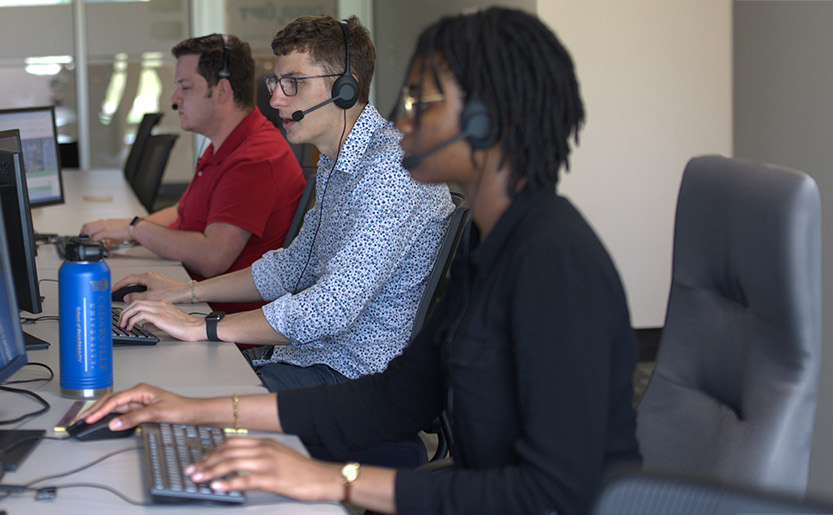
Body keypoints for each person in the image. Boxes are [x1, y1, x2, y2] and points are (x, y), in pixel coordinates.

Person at [76, 8, 641, 514]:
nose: (400, 116)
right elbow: (394, 399)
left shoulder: (556, 262)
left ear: (487, 120)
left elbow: (553, 495)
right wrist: (189, 410)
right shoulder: (491, 252)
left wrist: (332, 481)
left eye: (423, 100)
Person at [113, 16, 452, 394]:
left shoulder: (393, 169)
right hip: (306, 358)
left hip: (353, 380)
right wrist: (183, 293)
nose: (274, 98)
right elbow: (290, 268)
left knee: (182, 392)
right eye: (276, 83)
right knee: (163, 367)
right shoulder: (335, 163)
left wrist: (201, 327)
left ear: (345, 89)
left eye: (293, 83)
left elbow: (330, 308)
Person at [81, 34, 305, 315]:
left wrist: (136, 228)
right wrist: (126, 231)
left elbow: (213, 257)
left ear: (222, 91)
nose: (175, 99)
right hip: (194, 302)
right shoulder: (226, 145)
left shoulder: (256, 158)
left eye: (185, 87)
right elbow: (183, 211)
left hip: (221, 323)